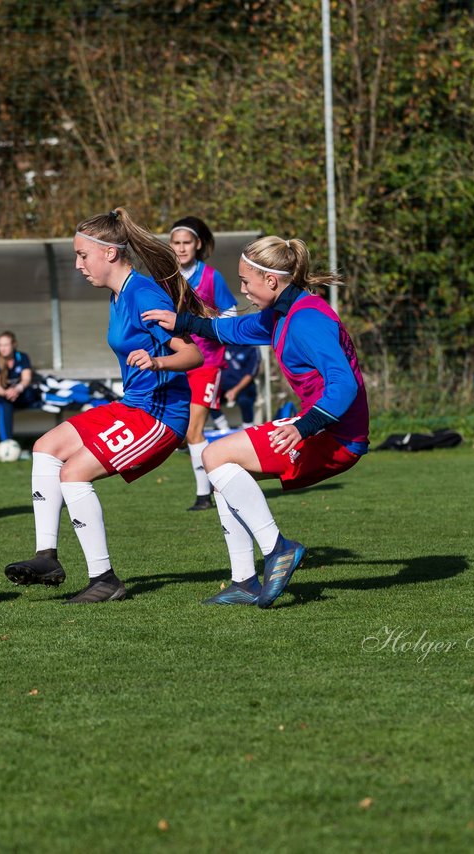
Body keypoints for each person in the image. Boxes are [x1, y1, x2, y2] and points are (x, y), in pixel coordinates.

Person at [143, 235, 369, 608]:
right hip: (321, 428)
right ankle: (244, 580)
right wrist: (182, 322)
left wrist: (302, 427)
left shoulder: (308, 318)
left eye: (247, 282)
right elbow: (234, 330)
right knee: (222, 475)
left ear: (272, 281)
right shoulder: (283, 312)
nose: (243, 290)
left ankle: (278, 549)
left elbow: (344, 384)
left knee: (215, 456)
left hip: (333, 434)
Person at [4, 207, 204, 603]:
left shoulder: (143, 294)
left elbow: (193, 354)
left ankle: (105, 580)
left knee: (74, 474)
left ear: (110, 253)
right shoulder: (119, 294)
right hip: (133, 405)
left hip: (160, 415)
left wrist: (159, 360)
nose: (78, 265)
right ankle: (46, 557)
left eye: (83, 255)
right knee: (45, 449)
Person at [168, 216, 239, 512]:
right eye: (176, 243)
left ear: (197, 245)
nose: (182, 249)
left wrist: (206, 323)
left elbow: (231, 313)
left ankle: (203, 496)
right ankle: (216, 472)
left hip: (207, 362)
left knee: (195, 430)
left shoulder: (211, 277)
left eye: (187, 243)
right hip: (176, 361)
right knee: (180, 435)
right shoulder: (165, 277)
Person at [0, 330, 41, 443]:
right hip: (1, 396)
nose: (3, 348)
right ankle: (7, 444)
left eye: (6, 345)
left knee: (31, 394)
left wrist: (17, 389)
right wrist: (7, 393)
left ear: (14, 344)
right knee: (5, 405)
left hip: (18, 395)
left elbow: (26, 379)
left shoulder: (22, 357)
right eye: (0, 345)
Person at [217, 343, 261, 428]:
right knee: (207, 398)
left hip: (243, 387)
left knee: (244, 400)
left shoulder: (252, 347)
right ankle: (223, 427)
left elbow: (251, 374)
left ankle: (248, 428)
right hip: (222, 387)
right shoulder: (222, 343)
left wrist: (235, 391)